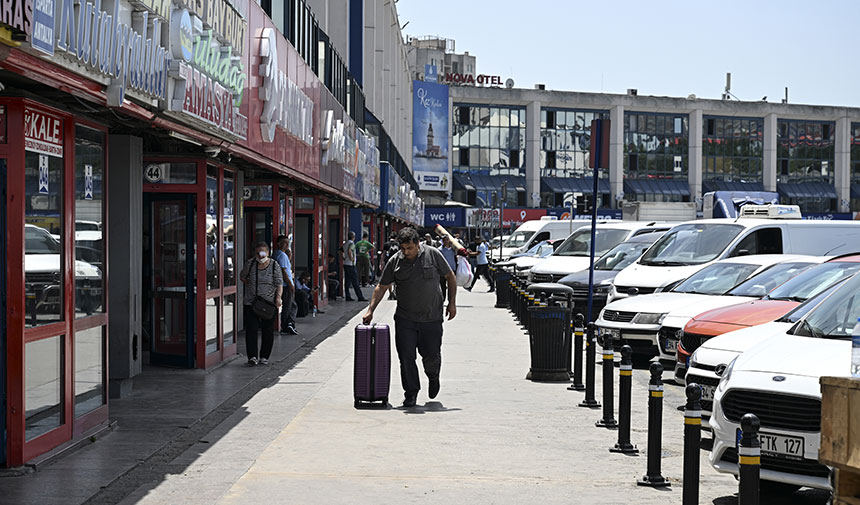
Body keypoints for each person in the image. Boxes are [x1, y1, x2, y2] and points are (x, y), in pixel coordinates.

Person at [363, 228, 457, 408]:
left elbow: (450, 277)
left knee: (431, 355)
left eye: (410, 248)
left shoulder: (433, 255)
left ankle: (433, 375)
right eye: (403, 248)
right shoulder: (395, 261)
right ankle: (411, 393)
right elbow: (382, 287)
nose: (406, 252)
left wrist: (452, 303)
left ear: (418, 244)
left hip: (432, 317)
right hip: (405, 318)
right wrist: (370, 310)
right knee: (406, 357)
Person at [240, 242, 283, 366]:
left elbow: (279, 283)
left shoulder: (274, 265)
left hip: (269, 303)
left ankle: (264, 356)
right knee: (252, 329)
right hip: (251, 302)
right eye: (258, 253)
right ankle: (252, 356)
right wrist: (249, 285)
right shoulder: (250, 264)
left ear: (268, 253)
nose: (260, 256)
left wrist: (278, 298)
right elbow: (242, 276)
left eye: (263, 253)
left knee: (267, 330)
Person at [272, 235, 298, 335]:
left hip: (282, 284)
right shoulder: (281, 255)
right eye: (285, 242)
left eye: (288, 243)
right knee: (289, 306)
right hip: (285, 285)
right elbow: (283, 271)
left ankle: (289, 324)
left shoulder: (279, 254)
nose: (287, 245)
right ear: (279, 244)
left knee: (292, 305)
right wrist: (290, 284)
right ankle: (287, 325)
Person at [342, 231, 366, 301]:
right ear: (353, 237)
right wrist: (351, 259)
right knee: (355, 281)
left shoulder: (345, 243)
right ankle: (360, 296)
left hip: (345, 264)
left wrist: (344, 258)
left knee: (347, 281)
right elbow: (349, 251)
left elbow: (340, 251)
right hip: (351, 265)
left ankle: (347, 296)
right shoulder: (351, 243)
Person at [437, 235, 458, 301]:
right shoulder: (440, 250)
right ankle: (442, 300)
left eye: (447, 240)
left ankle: (451, 300)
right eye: (444, 240)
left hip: (452, 269)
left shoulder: (453, 249)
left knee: (451, 286)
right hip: (443, 270)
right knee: (442, 286)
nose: (446, 241)